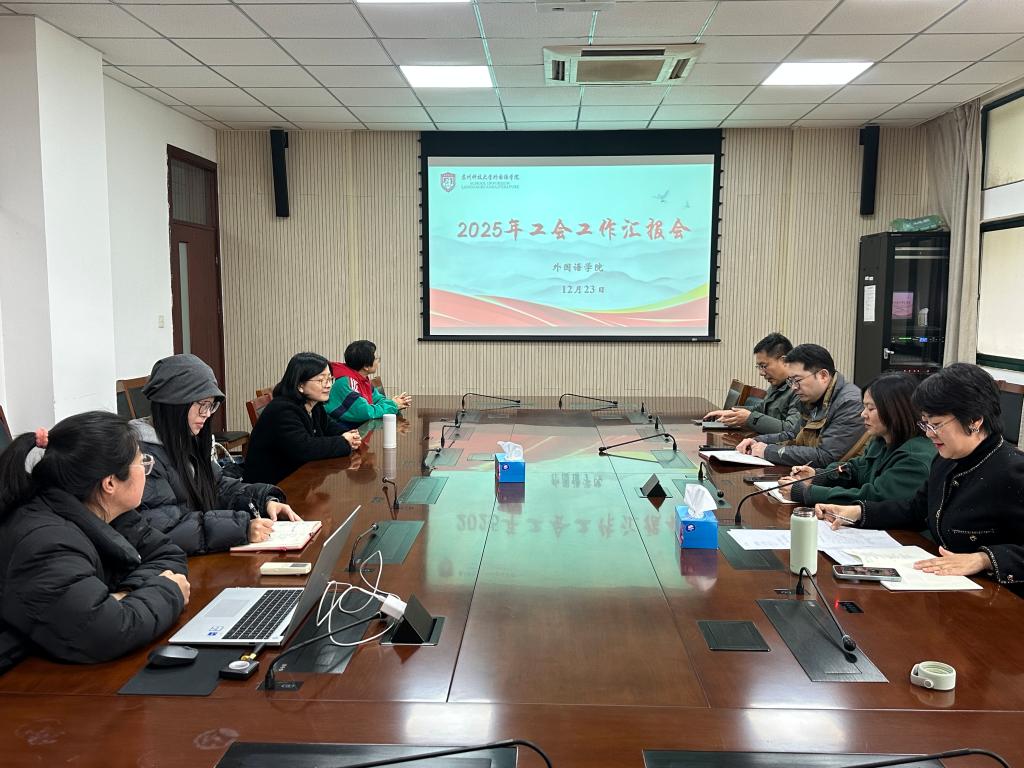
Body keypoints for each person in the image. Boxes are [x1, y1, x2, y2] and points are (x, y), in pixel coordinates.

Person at [0, 412, 189, 669]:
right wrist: (168, 591)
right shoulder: (47, 543)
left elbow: (167, 554)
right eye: (142, 462)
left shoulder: (103, 510)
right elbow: (106, 632)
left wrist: (127, 594)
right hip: (21, 681)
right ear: (110, 483)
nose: (147, 470)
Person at [816, 364, 1024, 592]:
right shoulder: (945, 460)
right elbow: (916, 510)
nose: (928, 433)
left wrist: (983, 559)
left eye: (937, 425)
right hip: (948, 587)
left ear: (974, 420)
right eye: (925, 423)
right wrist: (858, 512)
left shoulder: (1014, 471)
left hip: (1000, 597)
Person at [135, 354, 301, 555]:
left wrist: (264, 502)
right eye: (201, 404)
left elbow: (218, 487)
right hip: (171, 564)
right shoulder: (142, 458)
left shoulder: (185, 439)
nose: (206, 413)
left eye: (211, 405)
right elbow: (166, 530)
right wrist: (241, 529)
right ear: (174, 402)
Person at [779, 373, 935, 505]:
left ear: (896, 410)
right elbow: (855, 470)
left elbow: (875, 498)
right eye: (864, 407)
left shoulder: (915, 457)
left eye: (871, 408)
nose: (863, 414)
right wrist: (817, 476)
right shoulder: (882, 440)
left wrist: (808, 493)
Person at [736, 343, 866, 467]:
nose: (793, 387)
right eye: (791, 381)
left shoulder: (849, 403)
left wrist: (768, 451)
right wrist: (758, 441)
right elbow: (793, 435)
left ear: (823, 376)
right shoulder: (813, 397)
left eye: (797, 380)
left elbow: (826, 457)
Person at [243, 352, 363, 486]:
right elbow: (305, 448)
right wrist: (344, 442)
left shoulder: (313, 405)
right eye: (321, 380)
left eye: (330, 379)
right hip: (271, 487)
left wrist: (350, 435)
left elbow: (328, 426)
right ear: (300, 384)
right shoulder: (283, 410)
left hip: (298, 476)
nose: (328, 385)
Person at [703, 332, 801, 435]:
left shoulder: (799, 390)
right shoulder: (777, 384)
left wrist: (750, 418)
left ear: (784, 361)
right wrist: (732, 413)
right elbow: (761, 409)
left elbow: (792, 430)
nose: (761, 373)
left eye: (764, 366)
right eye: (759, 367)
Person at [326, 340, 411, 428]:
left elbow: (378, 399)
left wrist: (393, 403)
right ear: (366, 366)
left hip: (358, 428)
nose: (378, 361)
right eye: (376, 359)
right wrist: (393, 405)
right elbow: (365, 413)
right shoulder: (346, 382)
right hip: (341, 431)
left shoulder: (362, 379)